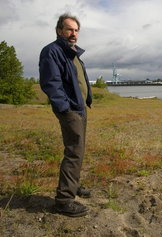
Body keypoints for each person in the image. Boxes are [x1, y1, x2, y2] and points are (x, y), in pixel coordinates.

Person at [39, 13, 93, 217]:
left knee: (78, 149)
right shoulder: (51, 51)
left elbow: (79, 80)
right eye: (69, 29)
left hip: (80, 108)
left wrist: (86, 101)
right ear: (59, 30)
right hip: (69, 110)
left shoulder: (73, 53)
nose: (73, 33)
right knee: (74, 151)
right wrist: (65, 107)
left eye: (76, 30)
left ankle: (74, 184)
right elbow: (51, 83)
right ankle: (63, 200)